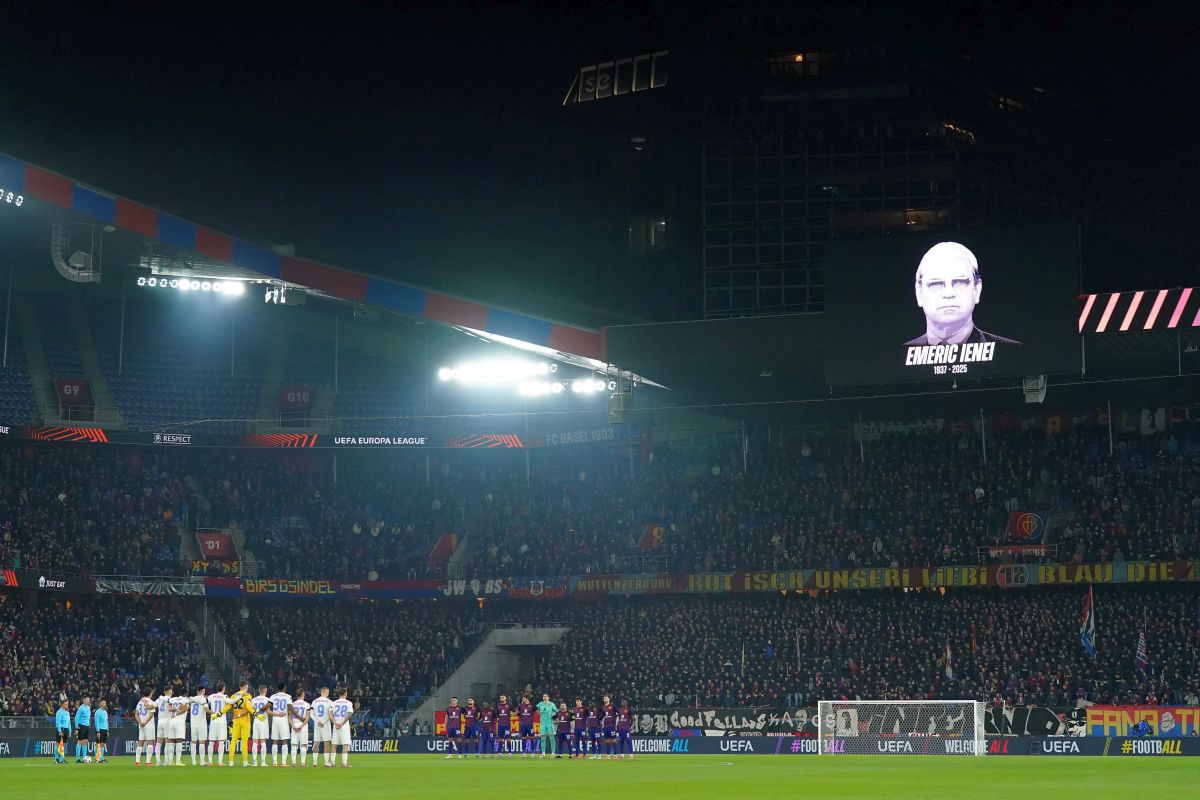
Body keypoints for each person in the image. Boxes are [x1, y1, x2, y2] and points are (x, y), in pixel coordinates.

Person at [904, 242, 1020, 346]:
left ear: (977, 289)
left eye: (960, 282)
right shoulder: (898, 354)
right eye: (936, 284)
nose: (949, 293)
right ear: (919, 293)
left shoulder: (1010, 351)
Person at [268, 683, 293, 766]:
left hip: (275, 719)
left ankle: (275, 762)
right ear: (284, 688)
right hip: (283, 719)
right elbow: (290, 707)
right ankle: (283, 762)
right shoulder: (288, 696)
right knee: (284, 740)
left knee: (275, 741)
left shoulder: (273, 696)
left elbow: (268, 707)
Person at [229, 681, 253, 766]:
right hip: (245, 720)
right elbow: (248, 709)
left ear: (239, 687)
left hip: (236, 720)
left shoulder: (233, 696)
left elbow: (230, 706)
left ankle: (231, 762)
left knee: (233, 742)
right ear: (246, 686)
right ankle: (245, 762)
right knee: (244, 742)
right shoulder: (248, 695)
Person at [207, 682, 229, 766]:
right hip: (221, 721)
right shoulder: (224, 696)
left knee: (211, 742)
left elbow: (204, 702)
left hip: (213, 721)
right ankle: (220, 762)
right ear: (223, 688)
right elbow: (230, 702)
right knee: (221, 742)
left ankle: (210, 762)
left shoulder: (211, 696)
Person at [311, 687, 334, 767]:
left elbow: (311, 714)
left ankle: (314, 762)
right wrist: (323, 722)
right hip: (325, 725)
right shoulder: (330, 702)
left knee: (316, 742)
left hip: (317, 725)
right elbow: (330, 715)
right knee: (326, 743)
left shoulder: (314, 701)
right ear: (327, 693)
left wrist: (317, 722)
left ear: (321, 692)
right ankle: (326, 762)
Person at [331, 688, 354, 767]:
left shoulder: (333, 703)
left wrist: (335, 723)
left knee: (334, 744)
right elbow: (350, 714)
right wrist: (342, 723)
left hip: (335, 726)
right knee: (345, 744)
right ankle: (344, 763)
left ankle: (333, 763)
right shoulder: (348, 703)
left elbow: (330, 715)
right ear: (345, 694)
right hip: (344, 727)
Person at [250, 685, 271, 767]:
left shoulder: (254, 699)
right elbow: (268, 712)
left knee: (255, 742)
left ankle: (254, 762)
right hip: (264, 722)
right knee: (263, 742)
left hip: (256, 721)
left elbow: (252, 710)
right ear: (265, 691)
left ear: (259, 690)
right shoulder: (267, 700)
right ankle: (263, 762)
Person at [135, 688, 157, 766]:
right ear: (150, 693)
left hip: (141, 725)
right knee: (150, 742)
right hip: (149, 725)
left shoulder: (140, 702)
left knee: (140, 742)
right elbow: (151, 714)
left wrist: (140, 722)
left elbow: (136, 714)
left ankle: (137, 761)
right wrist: (145, 722)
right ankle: (148, 762)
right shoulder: (151, 702)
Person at [290, 687, 311, 766]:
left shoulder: (292, 704)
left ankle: (293, 762)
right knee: (303, 744)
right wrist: (302, 726)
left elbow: (290, 717)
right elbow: (307, 717)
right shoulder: (307, 704)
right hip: (303, 726)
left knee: (294, 744)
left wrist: (293, 726)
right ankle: (302, 763)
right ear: (303, 694)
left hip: (294, 725)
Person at [189, 687, 209, 766]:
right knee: (202, 743)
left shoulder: (192, 699)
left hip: (193, 723)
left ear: (197, 691)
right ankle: (202, 761)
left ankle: (193, 762)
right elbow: (207, 710)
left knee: (193, 743)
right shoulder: (203, 699)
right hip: (201, 724)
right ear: (203, 691)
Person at [168, 687, 188, 765]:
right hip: (180, 721)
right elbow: (186, 708)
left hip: (172, 721)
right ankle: (178, 761)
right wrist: (177, 713)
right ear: (186, 694)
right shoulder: (185, 700)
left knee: (172, 742)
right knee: (179, 741)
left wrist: (175, 710)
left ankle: (170, 761)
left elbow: (169, 708)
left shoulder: (174, 699)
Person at [154, 686, 174, 766]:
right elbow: (169, 709)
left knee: (158, 743)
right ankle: (166, 761)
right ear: (169, 691)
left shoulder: (159, 699)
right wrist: (177, 708)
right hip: (167, 720)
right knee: (167, 742)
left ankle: (158, 761)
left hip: (160, 721)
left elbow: (153, 706)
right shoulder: (168, 699)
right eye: (171, 691)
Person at [536, 693, 557, 758]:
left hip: (550, 723)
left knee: (552, 738)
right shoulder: (540, 704)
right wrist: (538, 713)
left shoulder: (551, 704)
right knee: (542, 738)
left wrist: (554, 717)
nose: (544, 697)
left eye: (545, 696)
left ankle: (553, 753)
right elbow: (534, 708)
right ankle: (543, 754)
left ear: (548, 697)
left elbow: (557, 711)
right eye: (543, 696)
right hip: (542, 723)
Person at [74, 695, 91, 763]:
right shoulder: (81, 708)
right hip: (81, 726)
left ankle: (84, 758)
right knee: (80, 741)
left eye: (89, 700)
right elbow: (76, 718)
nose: (89, 701)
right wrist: (76, 728)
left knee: (85, 741)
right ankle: (77, 758)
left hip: (86, 726)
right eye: (87, 700)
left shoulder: (89, 708)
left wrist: (89, 724)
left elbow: (89, 717)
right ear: (84, 701)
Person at [54, 699, 71, 764]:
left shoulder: (67, 712)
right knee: (58, 744)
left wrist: (70, 731)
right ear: (62, 705)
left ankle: (61, 759)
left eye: (67, 704)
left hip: (66, 729)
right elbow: (57, 722)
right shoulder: (59, 712)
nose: (67, 705)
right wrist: (59, 731)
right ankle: (56, 758)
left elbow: (69, 722)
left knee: (63, 745)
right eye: (66, 704)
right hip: (61, 729)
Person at [600, 695, 616, 760]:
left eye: (606, 698)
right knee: (607, 741)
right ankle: (608, 755)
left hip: (612, 726)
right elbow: (602, 715)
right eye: (604, 698)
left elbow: (619, 712)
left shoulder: (612, 706)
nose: (604, 699)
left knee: (613, 741)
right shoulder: (602, 707)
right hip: (606, 727)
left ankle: (615, 756)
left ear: (609, 699)